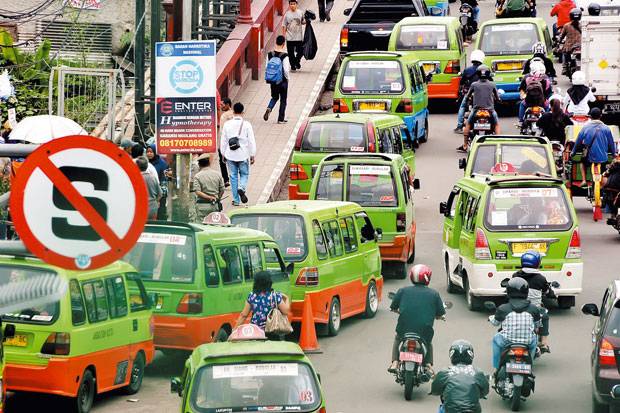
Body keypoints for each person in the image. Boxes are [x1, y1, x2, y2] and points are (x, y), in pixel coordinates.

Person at [388, 264, 446, 374]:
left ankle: (395, 362)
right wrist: (439, 316)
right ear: (428, 278)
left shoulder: (403, 291)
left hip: (404, 328)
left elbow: (393, 307)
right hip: (424, 331)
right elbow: (440, 313)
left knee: (398, 338)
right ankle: (428, 365)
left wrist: (398, 310)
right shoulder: (434, 294)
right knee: (428, 342)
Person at [489, 278, 541, 377]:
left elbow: (495, 323)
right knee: (535, 339)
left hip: (507, 341)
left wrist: (491, 318)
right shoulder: (533, 309)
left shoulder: (503, 308)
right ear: (526, 291)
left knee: (496, 339)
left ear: (508, 291)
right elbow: (538, 325)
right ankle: (530, 364)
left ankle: (496, 368)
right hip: (527, 342)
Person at [431, 340, 489, 413]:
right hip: (473, 410)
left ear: (452, 355)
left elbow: (435, 390)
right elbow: (485, 391)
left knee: (441, 409)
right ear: (471, 355)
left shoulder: (444, 372)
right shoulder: (478, 372)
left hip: (451, 410)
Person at [512, 251, 552, 353]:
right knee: (545, 316)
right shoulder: (541, 278)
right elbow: (547, 291)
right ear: (537, 263)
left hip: (516, 306)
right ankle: (543, 342)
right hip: (535, 308)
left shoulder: (515, 275)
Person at [220, 102, 256, 206]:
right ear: (243, 112)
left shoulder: (227, 124)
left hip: (230, 155)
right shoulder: (247, 124)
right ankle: (242, 188)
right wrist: (252, 154)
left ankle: (236, 200)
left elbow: (224, 141)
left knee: (233, 176)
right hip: (243, 154)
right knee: (244, 174)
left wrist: (223, 153)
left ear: (233, 111)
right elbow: (251, 140)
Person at [571, 107, 617, 187]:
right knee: (605, 170)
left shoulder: (585, 128)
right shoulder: (606, 128)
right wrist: (614, 154)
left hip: (589, 158)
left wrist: (573, 152)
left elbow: (578, 142)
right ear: (601, 116)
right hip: (603, 158)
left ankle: (584, 180)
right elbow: (611, 143)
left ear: (590, 117)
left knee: (582, 162)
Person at [234, 271, 290, 335]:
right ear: (269, 282)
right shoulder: (275, 296)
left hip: (255, 332)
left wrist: (234, 330)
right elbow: (286, 312)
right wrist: (287, 299)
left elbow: (243, 315)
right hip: (272, 331)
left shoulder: (252, 296)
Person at [459, 65, 500, 152]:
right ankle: (498, 143)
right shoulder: (492, 84)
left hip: (476, 110)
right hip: (490, 110)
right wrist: (499, 99)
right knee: (496, 124)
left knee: (468, 124)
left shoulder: (474, 84)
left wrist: (466, 100)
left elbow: (468, 96)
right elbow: (497, 97)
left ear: (478, 74)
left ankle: (465, 145)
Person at [454, 49, 485, 134]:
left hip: (470, 93)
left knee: (463, 107)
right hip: (483, 94)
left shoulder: (467, 70)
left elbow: (462, 81)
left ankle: (459, 126)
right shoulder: (485, 69)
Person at [263, 35, 290, 124]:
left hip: (273, 80)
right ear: (283, 44)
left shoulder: (270, 54)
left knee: (274, 97)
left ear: (276, 42)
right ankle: (280, 119)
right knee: (283, 99)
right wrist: (287, 79)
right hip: (282, 81)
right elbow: (286, 70)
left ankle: (269, 108)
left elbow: (267, 67)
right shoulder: (285, 56)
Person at [192, 153, 225, 223]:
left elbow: (197, 191)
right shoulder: (217, 174)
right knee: (214, 224)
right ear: (209, 163)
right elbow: (222, 189)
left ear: (199, 164)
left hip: (202, 206)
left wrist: (208, 197)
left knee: (201, 226)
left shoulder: (197, 176)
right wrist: (217, 197)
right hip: (214, 205)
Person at [146, 144, 169, 220]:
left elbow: (164, 180)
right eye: (147, 152)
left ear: (155, 152)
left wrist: (161, 196)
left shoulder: (162, 164)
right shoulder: (146, 163)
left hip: (159, 192)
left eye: (151, 152)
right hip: (149, 192)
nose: (149, 154)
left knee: (160, 212)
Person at [282, 0, 305, 71]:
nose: (292, 5)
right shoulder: (287, 14)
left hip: (299, 37)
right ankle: (293, 66)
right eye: (291, 4)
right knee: (291, 54)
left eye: (294, 4)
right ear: (289, 5)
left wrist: (307, 20)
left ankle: (297, 61)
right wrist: (284, 36)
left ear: (296, 4)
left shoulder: (300, 12)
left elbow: (303, 22)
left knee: (301, 51)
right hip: (290, 38)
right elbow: (284, 26)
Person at [559, 8, 582, 76]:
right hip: (580, 46)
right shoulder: (582, 25)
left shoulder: (566, 25)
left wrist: (559, 41)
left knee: (564, 53)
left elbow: (561, 36)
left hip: (569, 47)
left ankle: (565, 68)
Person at [218, 98, 233, 187]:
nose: (221, 106)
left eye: (222, 105)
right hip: (234, 142)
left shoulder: (224, 116)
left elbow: (223, 131)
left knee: (222, 161)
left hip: (225, 143)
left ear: (228, 105)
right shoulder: (234, 114)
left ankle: (226, 179)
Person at [603, 157, 620, 222]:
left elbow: (605, 174)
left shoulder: (611, 169)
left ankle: (613, 215)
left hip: (609, 187)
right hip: (616, 187)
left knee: (611, 202)